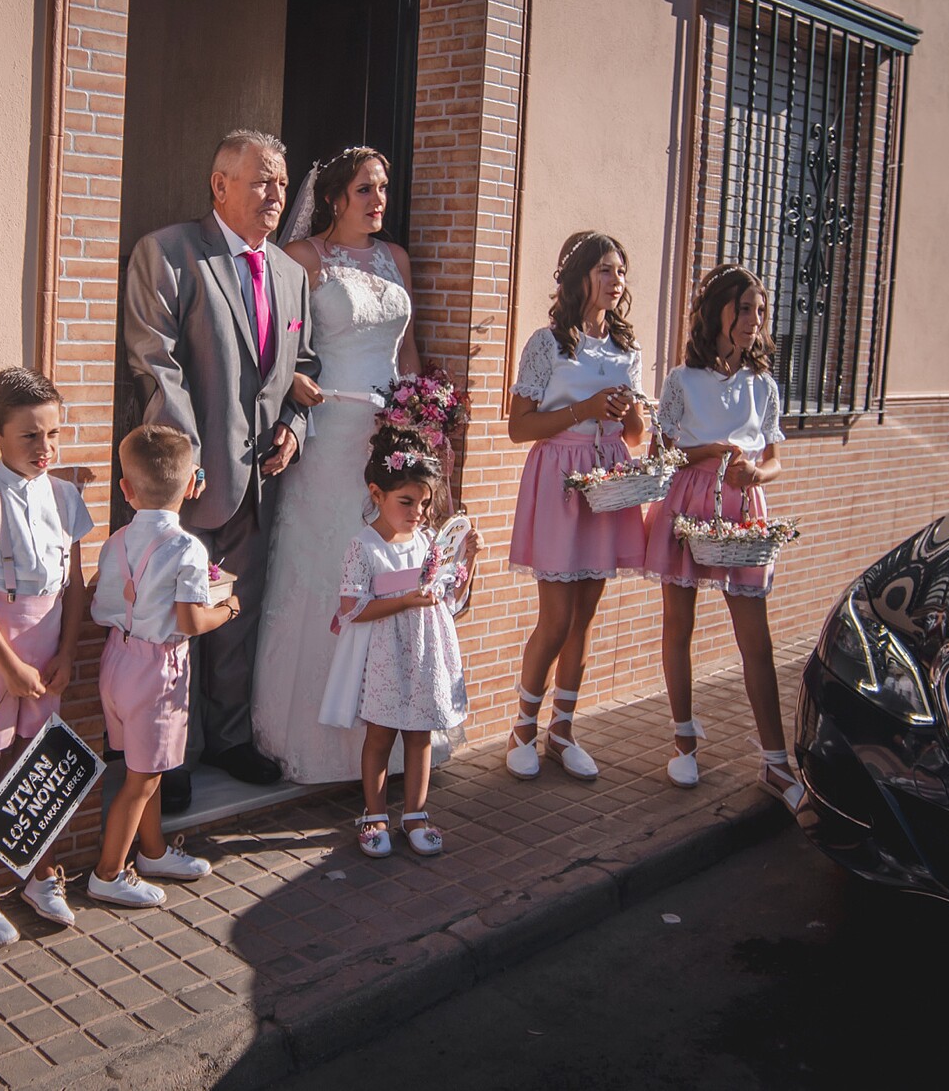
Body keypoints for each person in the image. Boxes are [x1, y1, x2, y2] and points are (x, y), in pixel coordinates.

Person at [123, 128, 320, 810]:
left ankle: (232, 740)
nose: (275, 194)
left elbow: (305, 370)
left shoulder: (293, 276)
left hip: (263, 483)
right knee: (177, 625)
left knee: (237, 618)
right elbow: (156, 360)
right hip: (190, 484)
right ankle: (171, 755)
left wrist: (296, 429)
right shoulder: (170, 253)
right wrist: (185, 458)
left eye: (282, 183)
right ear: (220, 186)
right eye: (262, 180)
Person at [252, 145, 420, 785]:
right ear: (333, 198)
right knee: (326, 571)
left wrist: (422, 424)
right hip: (328, 439)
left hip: (389, 441)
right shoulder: (302, 260)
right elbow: (276, 348)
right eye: (365, 191)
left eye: (382, 189)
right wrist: (294, 380)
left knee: (387, 575)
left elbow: (409, 355)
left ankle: (384, 735)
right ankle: (312, 735)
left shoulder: (396, 260)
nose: (378, 201)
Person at [641, 263, 804, 810]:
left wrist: (757, 474)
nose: (753, 321)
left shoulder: (764, 386)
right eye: (744, 309)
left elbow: (775, 459)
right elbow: (660, 454)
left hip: (743, 508)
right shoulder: (682, 381)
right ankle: (683, 741)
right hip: (688, 503)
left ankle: (776, 762)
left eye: (760, 311)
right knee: (678, 625)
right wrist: (708, 452)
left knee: (756, 639)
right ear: (717, 312)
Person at [503, 232, 647, 781]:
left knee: (584, 618)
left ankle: (562, 732)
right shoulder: (547, 343)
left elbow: (632, 435)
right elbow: (519, 427)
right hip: (558, 478)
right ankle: (522, 728)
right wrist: (584, 407)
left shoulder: (625, 349)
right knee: (557, 618)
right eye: (607, 271)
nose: (617, 282)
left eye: (621, 272)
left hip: (607, 479)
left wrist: (630, 412)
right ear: (581, 275)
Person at [0, 367, 93, 945]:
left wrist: (67, 652)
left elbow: (77, 586)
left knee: (42, 765)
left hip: (49, 640)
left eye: (53, 435)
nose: (45, 448)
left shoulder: (65, 496)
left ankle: (37, 875)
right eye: (30, 436)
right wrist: (9, 665)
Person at [88, 424, 237, 905]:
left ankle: (152, 851)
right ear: (194, 483)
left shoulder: (115, 541)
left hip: (116, 660)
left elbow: (100, 605)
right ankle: (108, 874)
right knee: (144, 779)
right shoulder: (187, 547)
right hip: (157, 669)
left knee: (140, 766)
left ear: (126, 490)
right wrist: (229, 609)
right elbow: (191, 621)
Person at [319, 428, 473, 857]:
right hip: (385, 656)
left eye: (424, 504)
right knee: (381, 735)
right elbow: (351, 609)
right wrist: (403, 600)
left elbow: (448, 598)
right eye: (407, 502)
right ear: (377, 493)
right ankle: (374, 814)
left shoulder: (428, 543)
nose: (418, 513)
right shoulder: (364, 546)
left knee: (420, 734)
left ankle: (417, 813)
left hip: (425, 653)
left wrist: (468, 561)